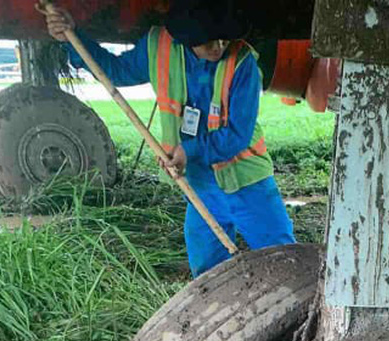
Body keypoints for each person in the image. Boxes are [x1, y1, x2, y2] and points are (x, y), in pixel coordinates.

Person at [44, 2, 296, 277]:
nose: (219, 46)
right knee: (208, 271)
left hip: (247, 182)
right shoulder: (159, 47)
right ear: (186, 39)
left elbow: (237, 135)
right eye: (208, 41)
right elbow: (114, 70)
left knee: (284, 260)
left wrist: (189, 151)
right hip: (200, 184)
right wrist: (73, 37)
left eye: (224, 37)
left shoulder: (243, 63)